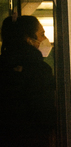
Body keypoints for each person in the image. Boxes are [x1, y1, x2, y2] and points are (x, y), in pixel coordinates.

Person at [0, 15, 56, 147]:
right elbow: (45, 114)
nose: (45, 39)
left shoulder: (2, 66)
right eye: (41, 34)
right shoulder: (39, 70)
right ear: (28, 39)